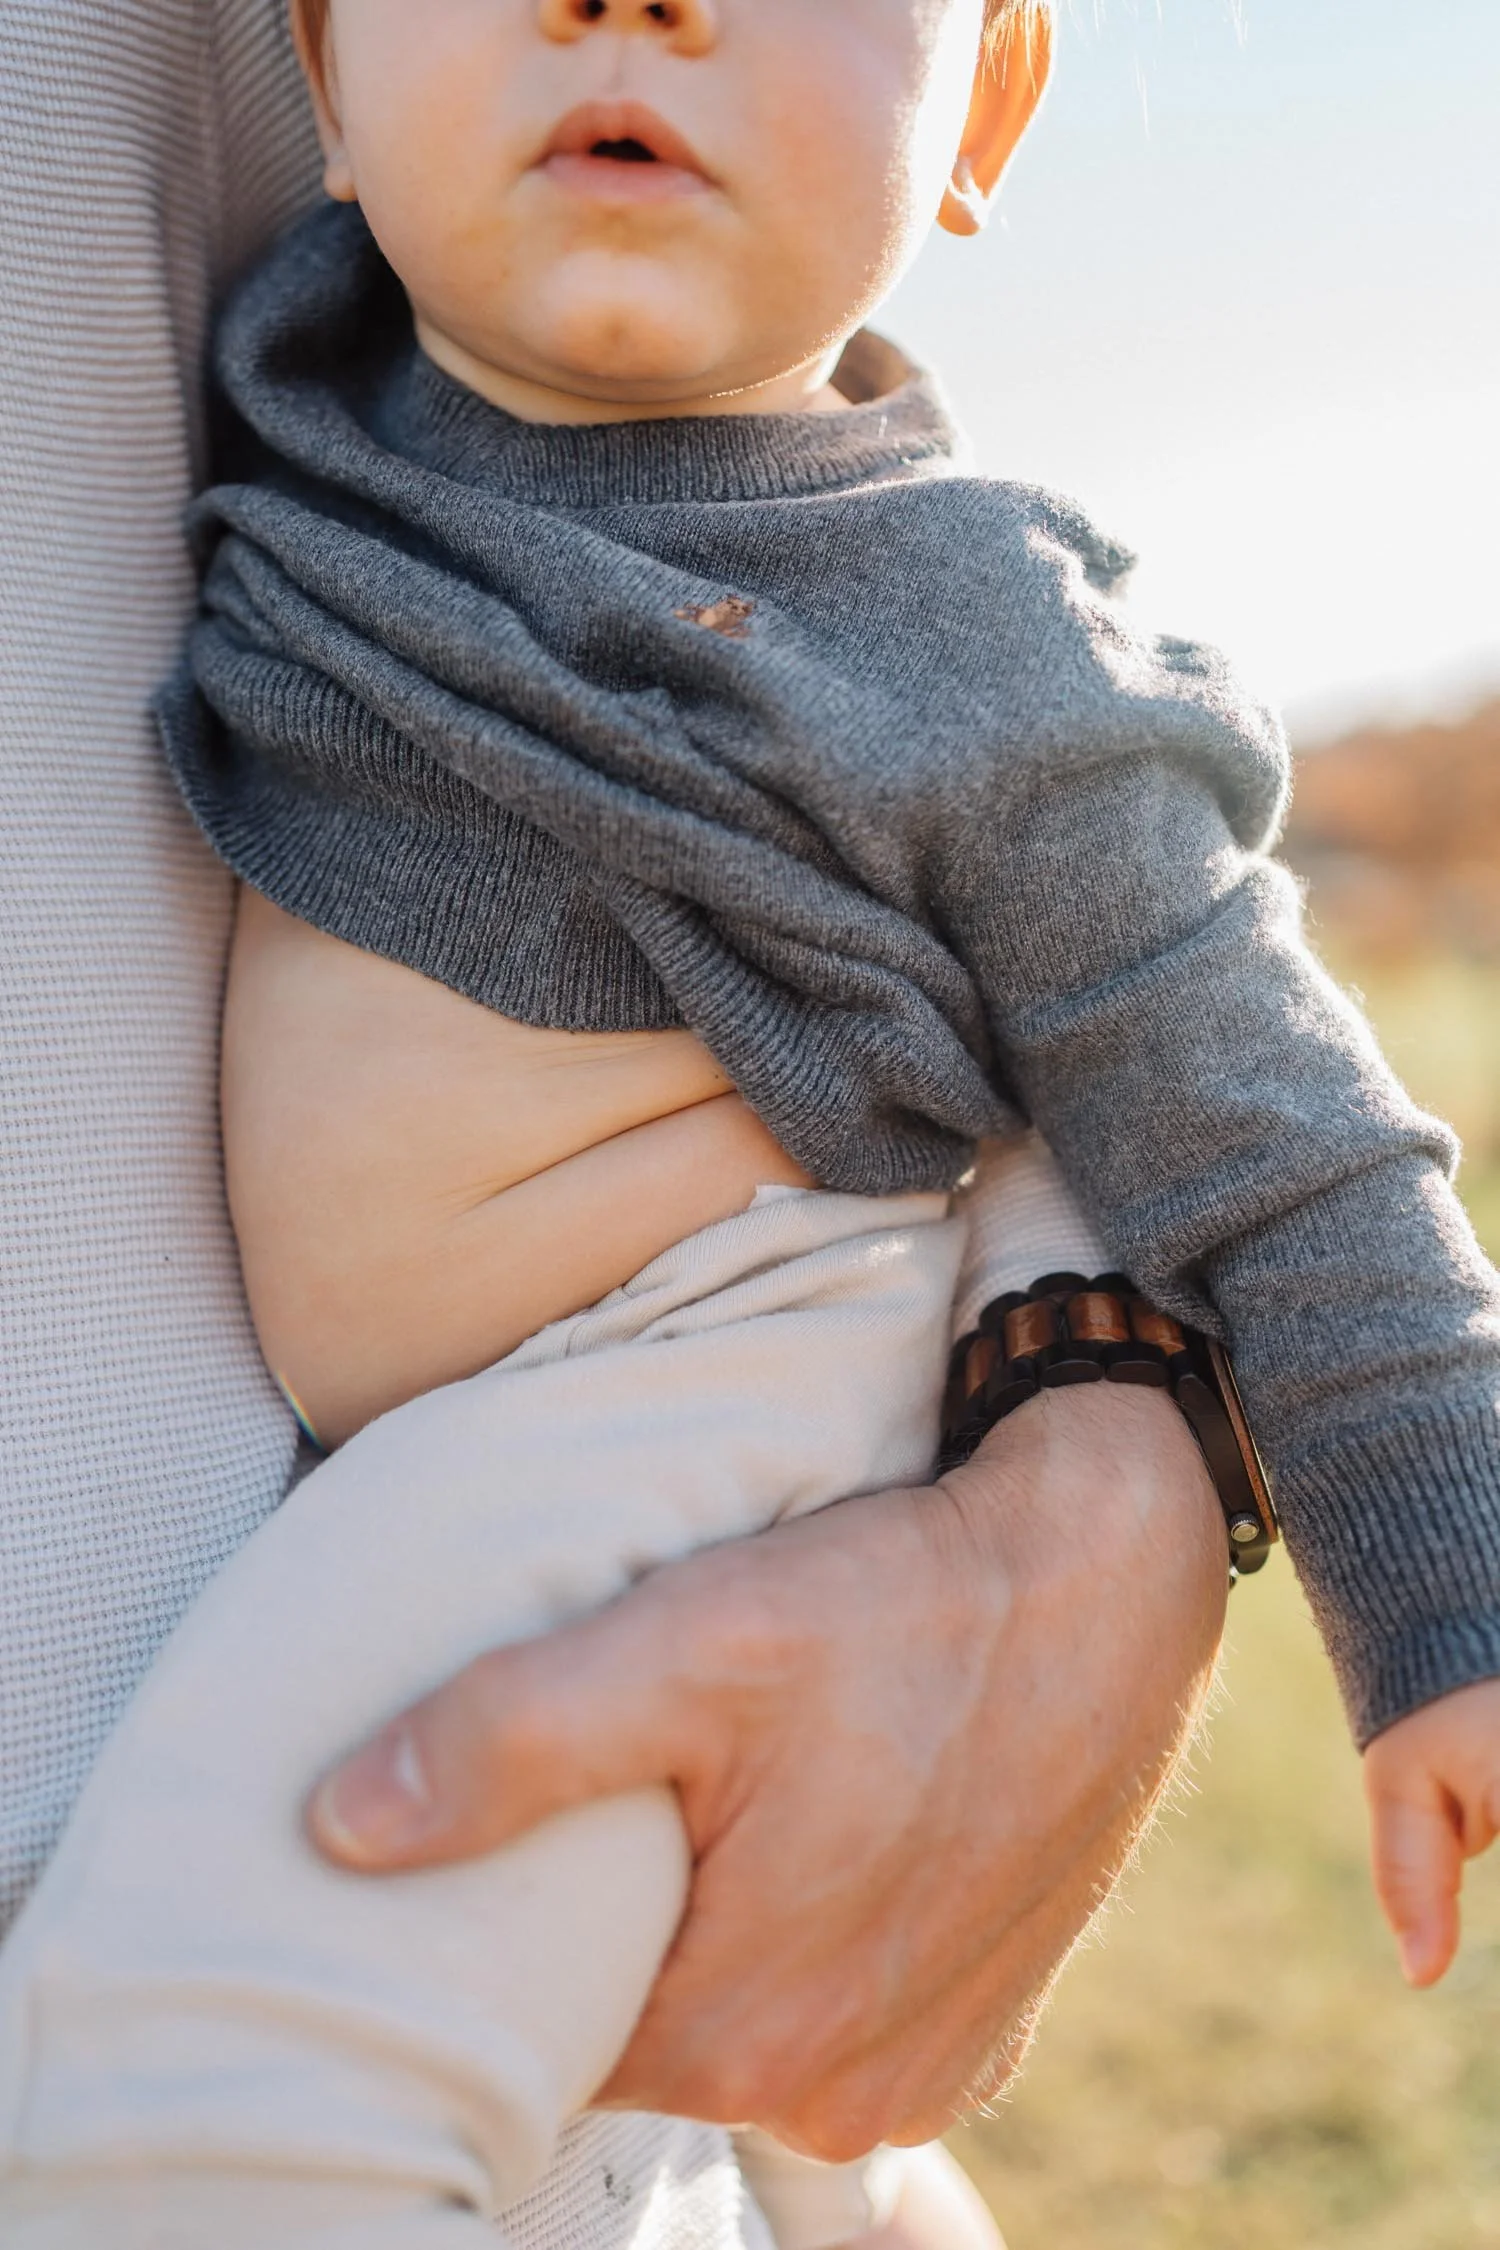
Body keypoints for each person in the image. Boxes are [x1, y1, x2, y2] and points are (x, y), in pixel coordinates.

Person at [6, 9, 1500, 2249]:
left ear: (983, 117)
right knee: (740, 2102)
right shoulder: (301, 357)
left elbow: (1291, 1139)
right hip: (476, 1423)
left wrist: (1454, 1608)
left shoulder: (980, 636)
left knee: (210, 2083)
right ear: (317, 68)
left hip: (685, 1376)